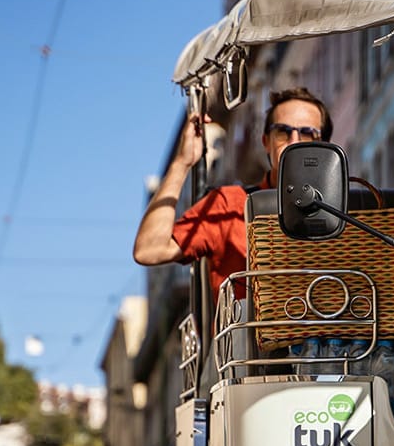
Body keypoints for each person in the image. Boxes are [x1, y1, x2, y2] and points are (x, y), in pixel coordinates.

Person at [132, 87, 333, 296]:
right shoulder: (228, 204)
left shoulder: (347, 211)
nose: (293, 142)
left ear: (325, 146)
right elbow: (149, 250)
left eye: (307, 133)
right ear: (266, 142)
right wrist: (182, 163)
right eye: (282, 132)